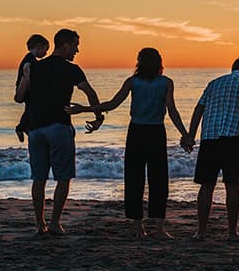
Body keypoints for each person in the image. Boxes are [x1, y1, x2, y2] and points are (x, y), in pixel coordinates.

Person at [66, 48, 188, 239]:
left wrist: (86, 109)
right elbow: (172, 111)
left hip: (137, 132)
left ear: (139, 62)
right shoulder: (165, 82)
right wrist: (185, 134)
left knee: (134, 179)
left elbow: (112, 104)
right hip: (156, 132)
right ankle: (159, 228)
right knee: (159, 180)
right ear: (159, 63)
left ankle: (138, 227)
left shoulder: (133, 82)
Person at [15, 28, 104, 235]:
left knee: (39, 179)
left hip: (36, 130)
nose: (77, 51)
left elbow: (19, 98)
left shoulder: (33, 67)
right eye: (75, 46)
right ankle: (54, 223)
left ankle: (39, 224)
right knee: (63, 177)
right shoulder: (72, 69)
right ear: (65, 45)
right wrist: (98, 117)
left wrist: (27, 77)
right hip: (59, 127)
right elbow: (90, 92)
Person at [183, 58, 239, 241]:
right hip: (233, 137)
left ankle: (200, 231)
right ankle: (232, 231)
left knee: (206, 185)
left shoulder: (214, 82)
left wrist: (190, 135)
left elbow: (198, 109)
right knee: (232, 185)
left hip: (210, 136)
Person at [14, 34, 50, 142]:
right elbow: (27, 70)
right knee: (30, 108)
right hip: (26, 88)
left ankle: (23, 127)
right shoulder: (30, 58)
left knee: (29, 108)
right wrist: (32, 84)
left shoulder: (30, 58)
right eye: (45, 49)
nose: (46, 53)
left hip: (26, 88)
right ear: (39, 47)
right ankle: (21, 127)